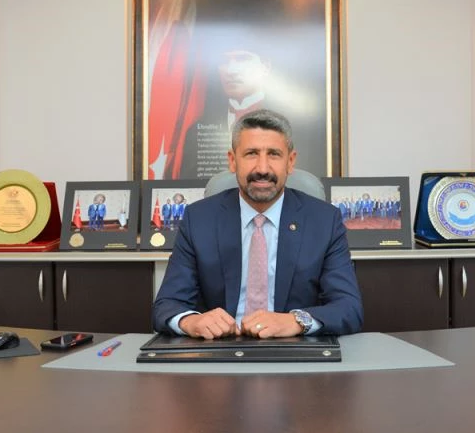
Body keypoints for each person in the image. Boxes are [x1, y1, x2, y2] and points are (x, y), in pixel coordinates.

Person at [153, 109, 363, 339]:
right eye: (251, 154)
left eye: (274, 154)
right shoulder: (198, 219)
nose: (262, 169)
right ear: (233, 161)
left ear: (290, 162)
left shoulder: (324, 221)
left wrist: (295, 320)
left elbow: (349, 308)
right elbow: (167, 304)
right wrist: (191, 321)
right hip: (219, 348)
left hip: (293, 346)